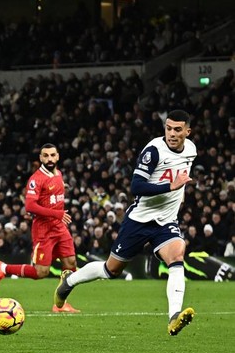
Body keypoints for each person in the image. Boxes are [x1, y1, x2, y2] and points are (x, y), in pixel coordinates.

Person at [54, 109, 197, 336]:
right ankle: (69, 281)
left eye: (177, 129)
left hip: (166, 221)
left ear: (187, 132)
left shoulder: (191, 150)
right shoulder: (154, 151)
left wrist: (179, 196)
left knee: (177, 255)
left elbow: (181, 177)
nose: (171, 133)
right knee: (111, 270)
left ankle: (173, 317)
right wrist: (170, 187)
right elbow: (136, 186)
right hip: (139, 220)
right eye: (168, 128)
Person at [0, 143, 80, 313]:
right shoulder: (35, 179)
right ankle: (3, 268)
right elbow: (30, 206)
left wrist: (61, 189)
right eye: (45, 155)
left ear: (58, 156)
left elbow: (52, 192)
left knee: (71, 263)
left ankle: (60, 304)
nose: (50, 159)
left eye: (53, 155)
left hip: (59, 227)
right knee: (41, 272)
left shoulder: (58, 174)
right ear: (40, 158)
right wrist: (57, 214)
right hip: (44, 229)